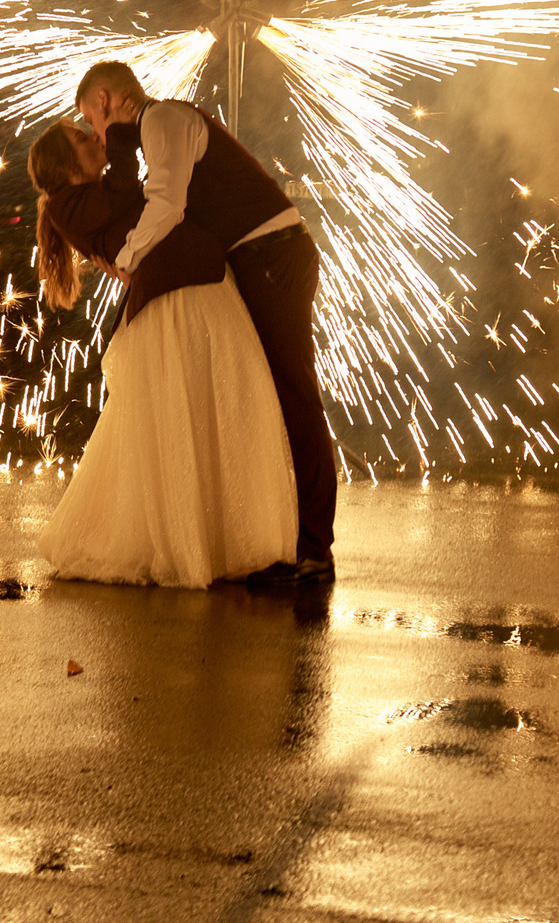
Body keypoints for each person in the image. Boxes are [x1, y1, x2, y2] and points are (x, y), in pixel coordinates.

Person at [74, 61, 337, 583]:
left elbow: (166, 204)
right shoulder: (157, 129)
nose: (96, 137)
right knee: (271, 396)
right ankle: (292, 545)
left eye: (90, 120)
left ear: (104, 100)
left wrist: (126, 258)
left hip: (271, 254)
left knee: (292, 394)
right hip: (263, 255)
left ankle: (313, 550)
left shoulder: (163, 120)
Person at [28, 116, 295, 587]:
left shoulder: (86, 201)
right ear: (62, 164)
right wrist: (122, 140)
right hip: (174, 302)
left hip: (196, 287)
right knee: (182, 419)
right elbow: (125, 193)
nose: (93, 138)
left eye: (89, 131)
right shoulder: (67, 204)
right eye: (80, 137)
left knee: (213, 414)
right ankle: (186, 541)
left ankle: (215, 538)